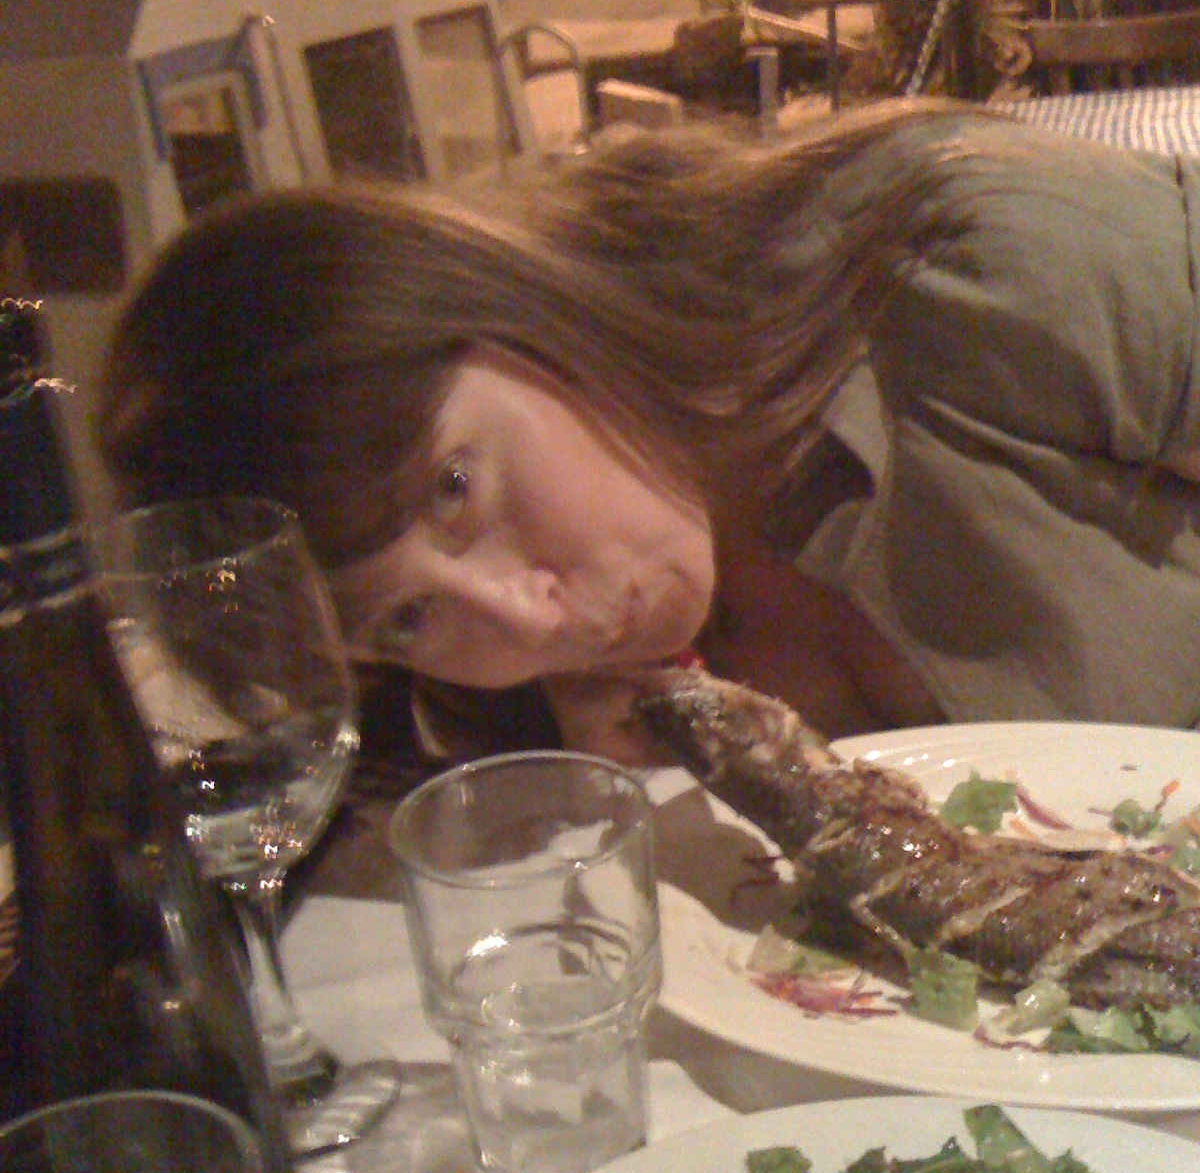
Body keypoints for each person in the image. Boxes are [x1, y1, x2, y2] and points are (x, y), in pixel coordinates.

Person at [92, 99, 1200, 771]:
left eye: (454, 489)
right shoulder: (538, 710)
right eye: (408, 618)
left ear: (503, 304)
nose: (531, 620)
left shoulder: (979, 263)